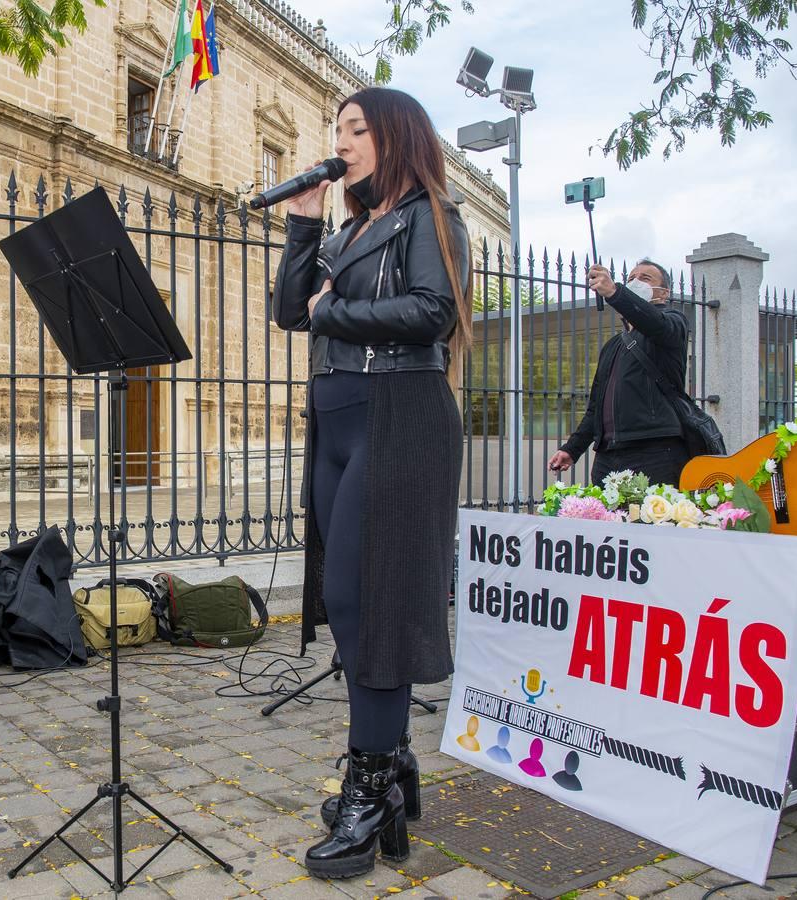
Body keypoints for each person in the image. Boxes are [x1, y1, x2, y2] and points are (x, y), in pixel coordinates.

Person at [270, 87, 471, 880]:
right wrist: (304, 223)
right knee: (345, 601)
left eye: (356, 128)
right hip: (340, 420)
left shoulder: (430, 215)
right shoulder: (351, 228)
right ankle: (394, 763)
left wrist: (334, 314)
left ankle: (369, 788)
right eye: (337, 129)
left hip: (400, 413)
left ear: (394, 135)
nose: (342, 140)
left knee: (371, 602)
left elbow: (431, 310)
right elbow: (292, 311)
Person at [548, 260, 690, 486]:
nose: (635, 282)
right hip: (608, 456)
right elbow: (596, 407)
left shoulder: (674, 322)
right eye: (631, 278)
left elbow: (657, 324)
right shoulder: (613, 345)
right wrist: (572, 449)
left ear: (664, 293)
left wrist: (616, 293)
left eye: (645, 278)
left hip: (655, 451)